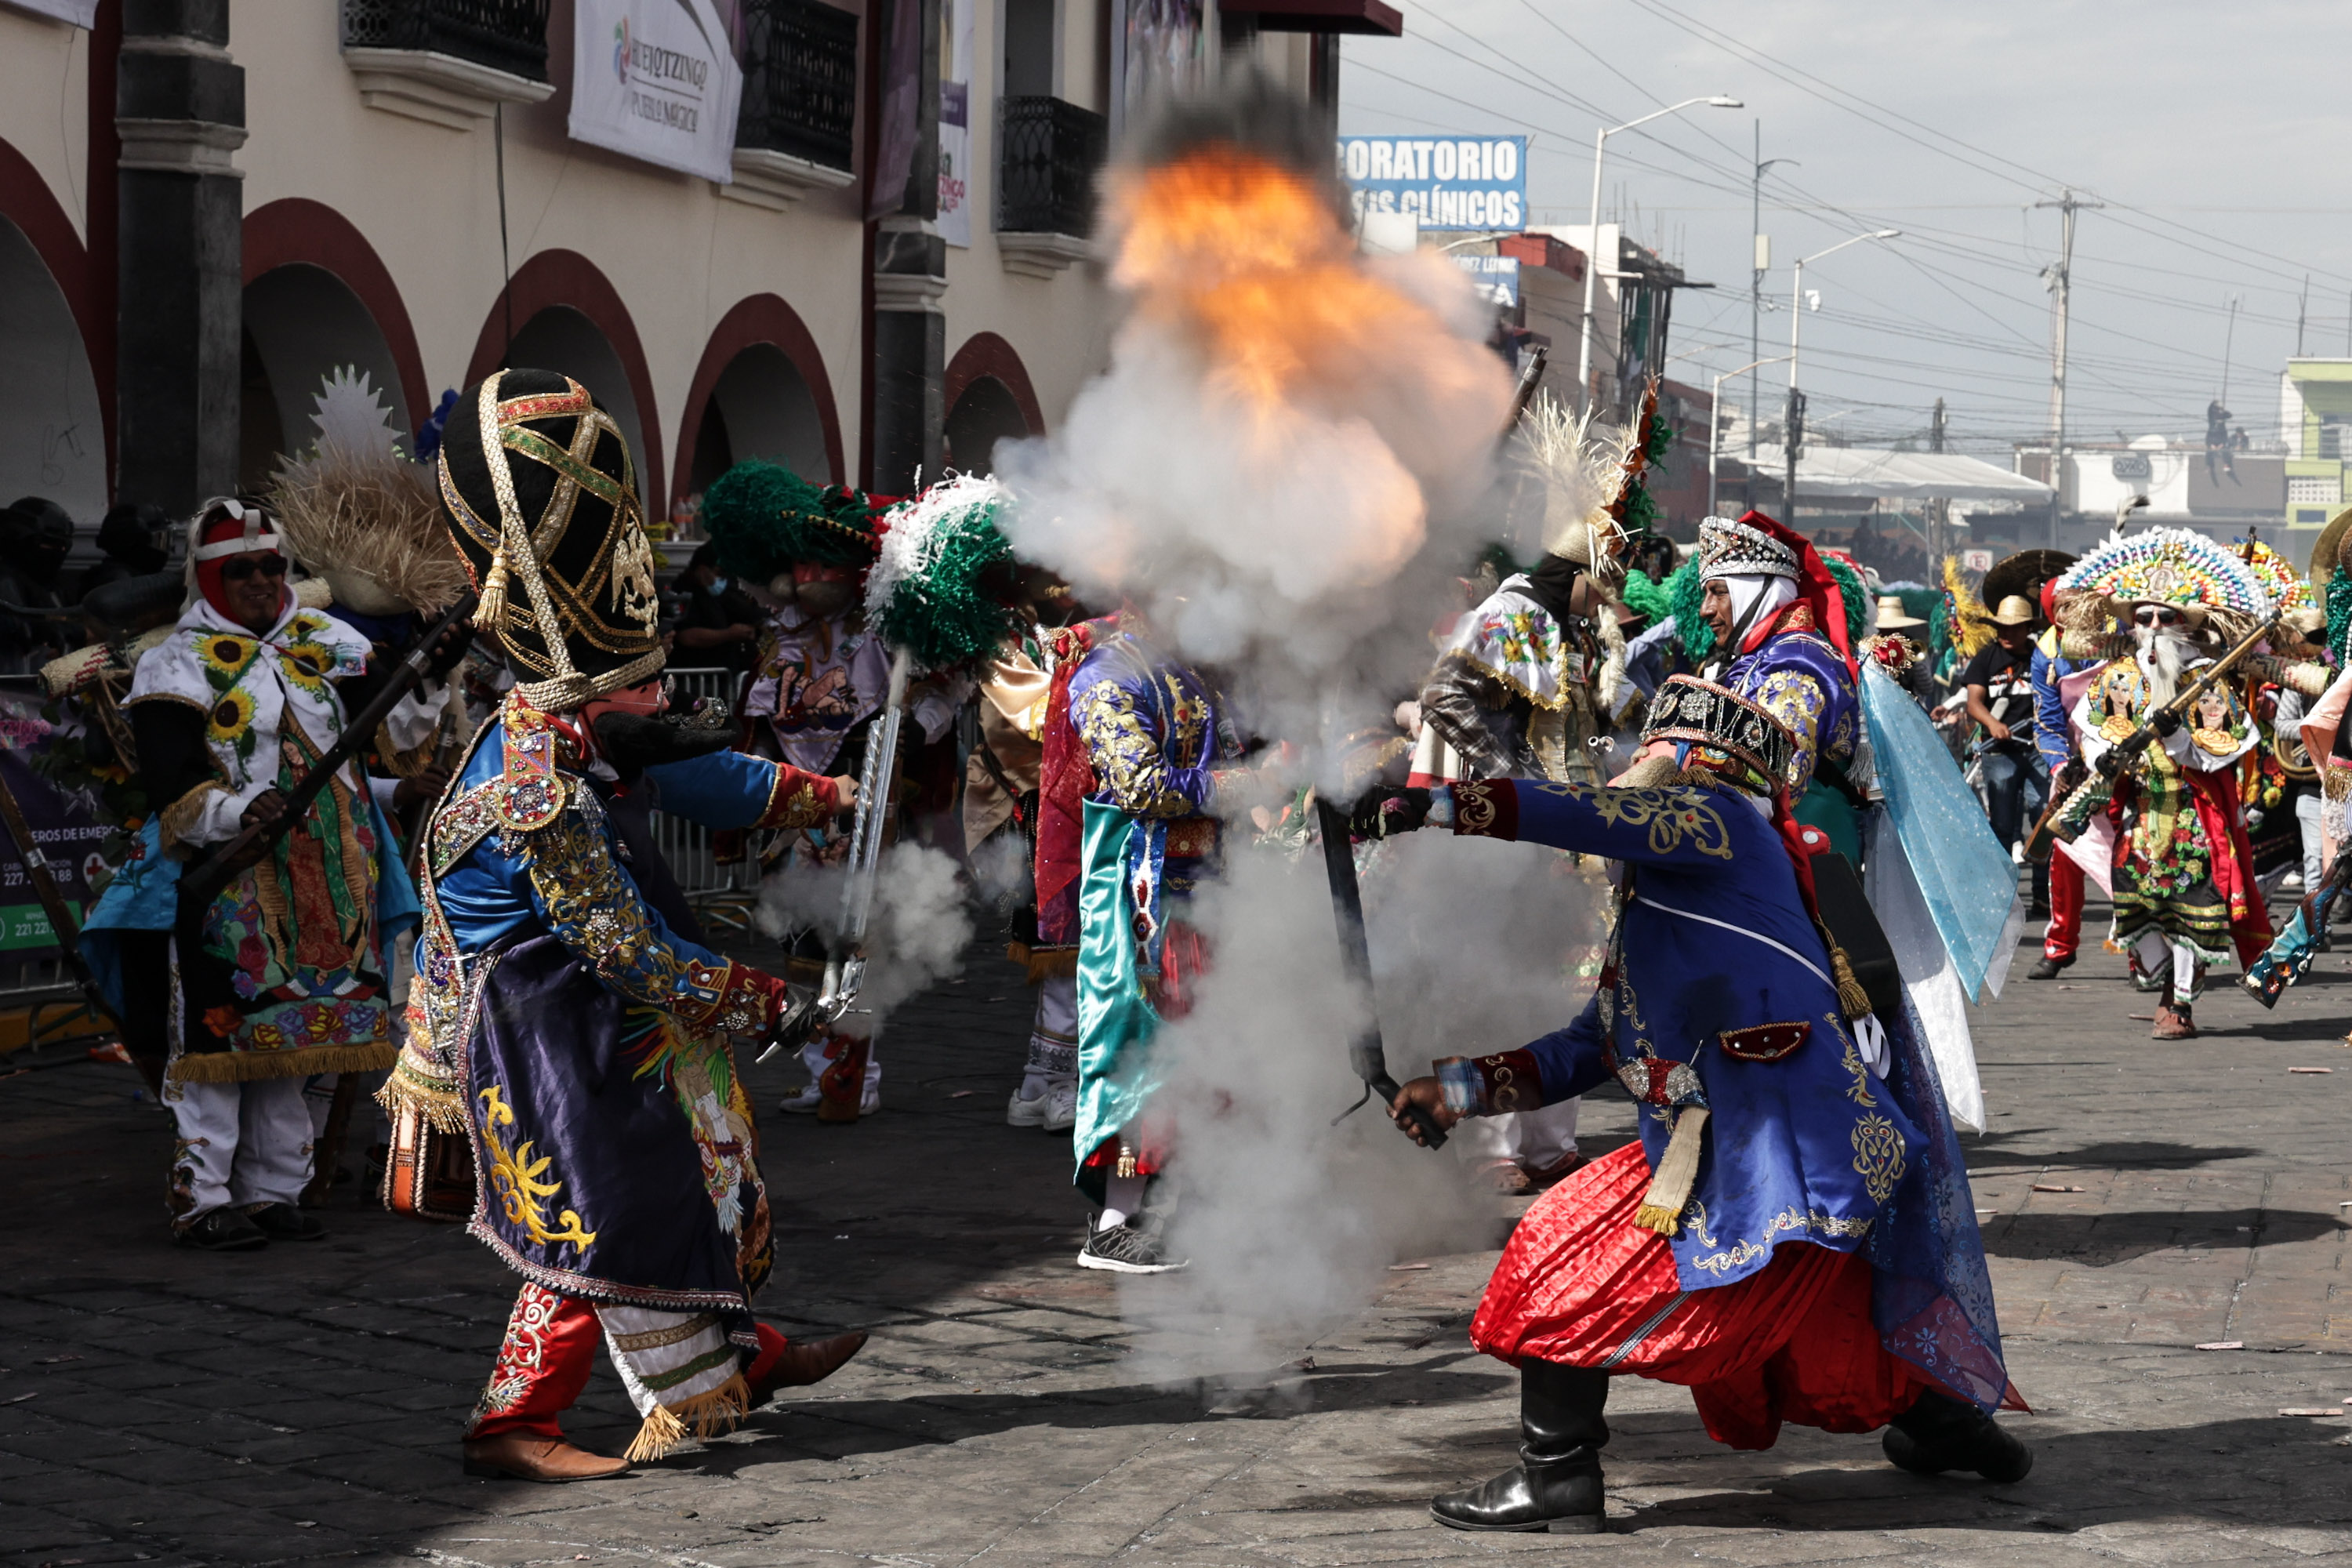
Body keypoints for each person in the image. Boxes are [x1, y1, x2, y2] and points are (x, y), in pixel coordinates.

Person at [1376, 674, 2025, 1535]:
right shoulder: (1669, 889)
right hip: (1775, 1141)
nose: (1632, 765)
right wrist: (1455, 1089)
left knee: (1551, 1245)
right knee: (1838, 1322)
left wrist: (1437, 805)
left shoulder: (1717, 822)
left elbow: (1593, 814)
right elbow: (1593, 1043)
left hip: (1776, 1147)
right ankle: (1952, 1427)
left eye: (1650, 754)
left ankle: (1559, 1471)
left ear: (1693, 764)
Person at [383, 370, 864, 1483]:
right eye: (636, 699)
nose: (656, 710)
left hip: (601, 1011)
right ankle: (512, 1426)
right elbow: (626, 950)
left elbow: (691, 767)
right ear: (590, 694)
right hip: (546, 1023)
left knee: (692, 1181)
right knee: (597, 1216)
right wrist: (777, 1005)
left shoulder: (583, 725)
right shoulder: (537, 789)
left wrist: (820, 797)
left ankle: (749, 1355)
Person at [76, 499, 452, 1250]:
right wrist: (241, 811)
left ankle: (273, 1189)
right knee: (221, 1040)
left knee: (293, 1035)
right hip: (231, 877)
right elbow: (172, 786)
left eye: (271, 566)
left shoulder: (328, 642)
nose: (258, 579)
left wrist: (426, 690)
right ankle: (204, 1197)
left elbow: (380, 741)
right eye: (238, 569)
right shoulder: (173, 662)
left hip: (333, 874)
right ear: (206, 577)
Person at [2045, 530, 2287, 1039]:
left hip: (2193, 814)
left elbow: (2221, 754)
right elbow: (2092, 734)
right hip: (2136, 814)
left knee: (2189, 909)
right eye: (2144, 616)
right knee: (2138, 912)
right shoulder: (2121, 676)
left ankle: (2179, 1004)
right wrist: (2103, 757)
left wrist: (2178, 738)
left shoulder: (2205, 680)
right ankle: (2162, 981)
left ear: (2184, 624)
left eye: (2166, 616)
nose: (2154, 625)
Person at [1067, 617, 1245, 1273]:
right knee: (1139, 1051)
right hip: (1137, 905)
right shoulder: (1107, 676)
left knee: (1204, 1049)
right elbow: (1142, 785)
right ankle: (1115, 1221)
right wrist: (1244, 786)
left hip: (1198, 895)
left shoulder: (1192, 668)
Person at [1693, 511, 1864, 863]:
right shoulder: (1763, 657)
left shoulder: (1797, 662)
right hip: (1771, 846)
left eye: (1718, 593)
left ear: (1758, 592)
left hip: (1810, 855)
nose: (1705, 610)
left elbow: (1779, 781)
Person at [2027, 579, 2100, 980]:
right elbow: (2047, 722)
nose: (2072, 613)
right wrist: (2060, 767)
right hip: (2076, 765)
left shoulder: (2118, 638)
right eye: (2062, 606)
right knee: (2065, 856)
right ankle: (2060, 945)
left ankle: (2141, 953)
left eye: (2079, 603)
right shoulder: (2046, 654)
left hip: (2129, 759)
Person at [1962, 595, 2047, 907]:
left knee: (2042, 817)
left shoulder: (2041, 657)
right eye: (2002, 628)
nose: (2007, 634)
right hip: (1999, 753)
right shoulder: (1985, 659)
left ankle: (2042, 893)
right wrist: (1992, 724)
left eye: (2013, 628)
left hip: (2038, 751)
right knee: (2002, 823)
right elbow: (1974, 703)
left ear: (2027, 628)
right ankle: (2003, 895)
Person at [670, 541, 764, 677]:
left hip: (733, 674)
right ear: (702, 570)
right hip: (700, 677)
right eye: (718, 573)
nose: (722, 579)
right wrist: (727, 634)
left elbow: (751, 612)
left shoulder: (728, 589)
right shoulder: (682, 592)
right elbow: (686, 636)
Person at [80, 502, 171, 600]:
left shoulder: (113, 576)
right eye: (159, 540)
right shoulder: (122, 583)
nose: (166, 549)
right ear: (136, 541)